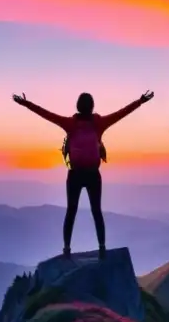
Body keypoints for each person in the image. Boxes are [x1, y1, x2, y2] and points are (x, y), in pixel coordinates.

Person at [12, 89, 154, 259]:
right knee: (96, 211)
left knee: (71, 211)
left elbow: (47, 115)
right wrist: (140, 101)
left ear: (78, 106)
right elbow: (121, 114)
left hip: (75, 175)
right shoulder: (98, 123)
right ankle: (102, 248)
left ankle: (66, 249)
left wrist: (26, 103)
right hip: (93, 174)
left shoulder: (72, 124)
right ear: (92, 106)